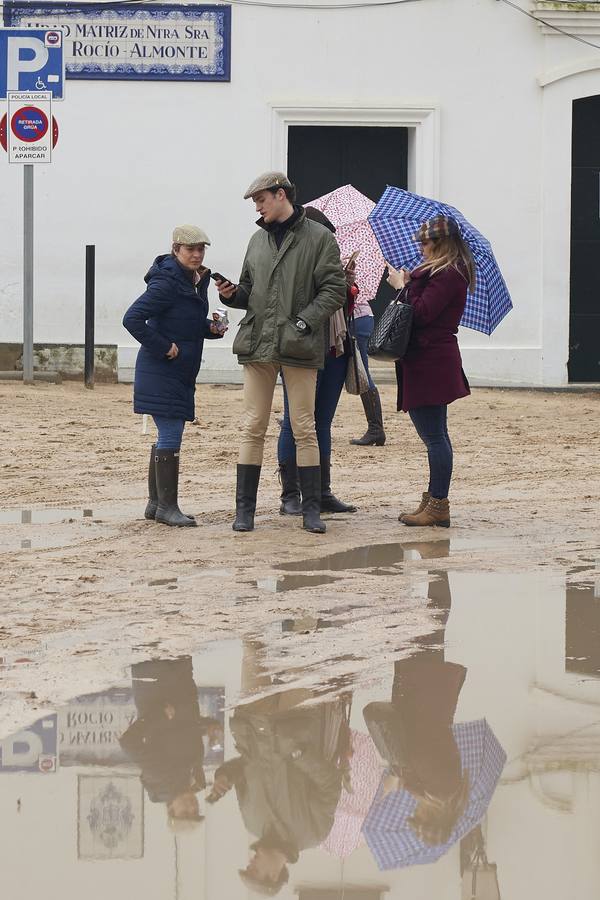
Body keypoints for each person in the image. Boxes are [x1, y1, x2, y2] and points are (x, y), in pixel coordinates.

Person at [216, 172, 346, 534]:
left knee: (304, 427)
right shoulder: (256, 240)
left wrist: (304, 322)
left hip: (298, 344)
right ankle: (245, 511)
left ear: (280, 195)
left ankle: (311, 510)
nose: (257, 207)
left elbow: (334, 290)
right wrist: (232, 294)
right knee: (252, 425)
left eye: (260, 200)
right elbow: (249, 291)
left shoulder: (320, 237)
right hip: (258, 343)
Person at [122, 225, 225, 528]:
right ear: (176, 249)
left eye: (201, 249)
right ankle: (167, 507)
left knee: (166, 435)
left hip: (177, 372)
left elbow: (185, 321)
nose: (197, 254)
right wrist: (164, 346)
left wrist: (211, 328)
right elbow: (132, 318)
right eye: (190, 249)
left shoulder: (193, 281)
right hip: (161, 370)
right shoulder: (167, 283)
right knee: (170, 434)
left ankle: (157, 505)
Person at [207, 690, 347, 896]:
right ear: (273, 875)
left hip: (252, 714)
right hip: (296, 716)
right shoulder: (314, 833)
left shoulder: (251, 822)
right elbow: (330, 783)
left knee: (256, 667)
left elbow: (245, 766)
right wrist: (298, 754)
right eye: (254, 870)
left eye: (248, 867)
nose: (251, 862)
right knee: (295, 668)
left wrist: (225, 776)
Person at [387, 215, 476, 528]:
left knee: (435, 437)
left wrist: (403, 287)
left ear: (441, 243)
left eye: (425, 243)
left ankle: (438, 504)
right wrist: (410, 283)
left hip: (431, 361)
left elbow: (423, 313)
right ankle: (434, 500)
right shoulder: (441, 272)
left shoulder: (449, 274)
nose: (420, 248)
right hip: (427, 359)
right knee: (436, 435)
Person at [278, 205, 357, 517]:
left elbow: (340, 308)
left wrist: (346, 285)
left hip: (335, 348)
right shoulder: (290, 264)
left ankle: (321, 492)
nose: (331, 244)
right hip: (302, 350)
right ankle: (290, 494)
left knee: (322, 422)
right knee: (294, 422)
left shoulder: (330, 263)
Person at [363, 657, 469, 847]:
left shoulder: (433, 793)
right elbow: (422, 752)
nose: (415, 812)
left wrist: (405, 781)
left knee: (415, 645)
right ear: (432, 818)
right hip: (426, 692)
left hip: (421, 696)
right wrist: (400, 774)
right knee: (422, 645)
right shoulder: (444, 789)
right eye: (418, 817)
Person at [119, 657, 223, 827]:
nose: (192, 807)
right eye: (195, 812)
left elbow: (128, 742)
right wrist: (208, 727)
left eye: (185, 812)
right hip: (182, 680)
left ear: (171, 809)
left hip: (155, 682)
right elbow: (182, 730)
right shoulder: (196, 781)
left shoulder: (160, 777)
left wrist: (158, 715)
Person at [348, 269, 386, 448]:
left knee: (361, 373)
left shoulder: (342, 260)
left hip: (356, 319)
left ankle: (376, 429)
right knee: (361, 372)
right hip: (361, 318)